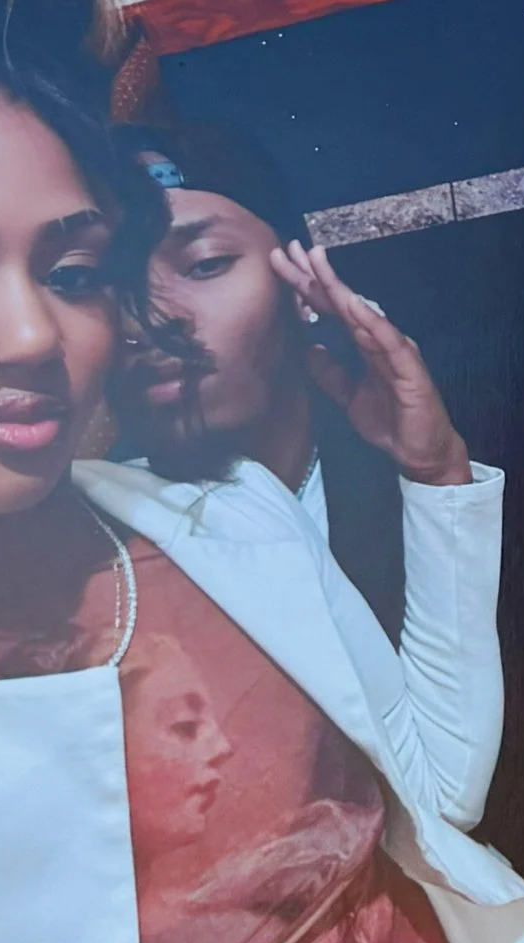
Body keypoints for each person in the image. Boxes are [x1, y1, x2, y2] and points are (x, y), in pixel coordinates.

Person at [0, 0, 524, 943]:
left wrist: (439, 472)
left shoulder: (230, 521)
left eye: (75, 270)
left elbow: (440, 795)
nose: (33, 335)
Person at [111, 117, 480, 659]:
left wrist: (438, 475)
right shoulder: (98, 547)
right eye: (105, 281)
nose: (148, 316)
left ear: (300, 284)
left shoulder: (431, 477)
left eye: (205, 264)